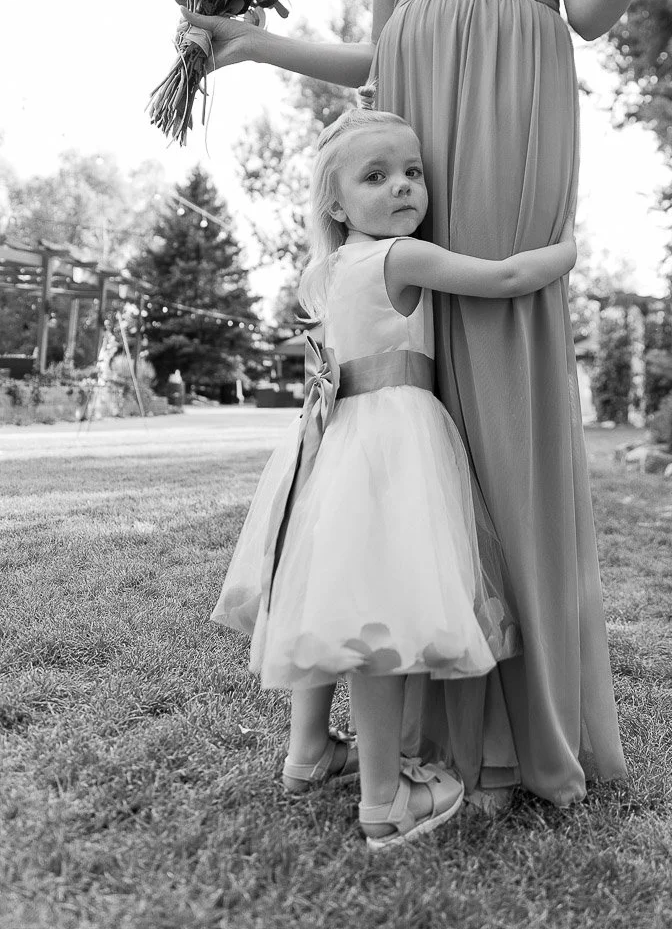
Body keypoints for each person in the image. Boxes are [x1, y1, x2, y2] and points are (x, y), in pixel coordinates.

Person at [187, 0, 672, 809]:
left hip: (508, 100)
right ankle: (418, 704)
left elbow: (590, 6)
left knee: (497, 375)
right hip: (412, 119)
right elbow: (374, 49)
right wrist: (255, 43)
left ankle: (509, 732)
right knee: (419, 399)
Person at [211, 91, 577, 847]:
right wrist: (565, 251)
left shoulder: (323, 272)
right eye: (375, 177)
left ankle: (308, 750)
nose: (403, 187)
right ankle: (385, 798)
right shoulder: (399, 256)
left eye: (412, 171)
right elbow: (506, 279)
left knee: (326, 603)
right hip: (393, 440)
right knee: (379, 618)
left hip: (329, 444)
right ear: (337, 204)